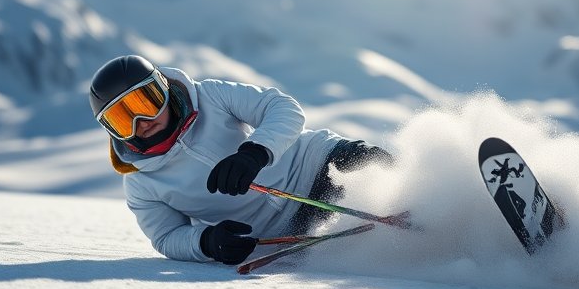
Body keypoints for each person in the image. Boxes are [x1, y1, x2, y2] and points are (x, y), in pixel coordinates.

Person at [89, 55, 394, 265]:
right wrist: (208, 242)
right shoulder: (141, 182)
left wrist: (254, 153)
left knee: (387, 173)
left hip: (318, 163)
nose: (141, 121)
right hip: (285, 234)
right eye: (122, 118)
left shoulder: (210, 96)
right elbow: (167, 237)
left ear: (164, 89)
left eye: (146, 101)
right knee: (375, 253)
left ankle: (438, 210)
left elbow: (282, 107)